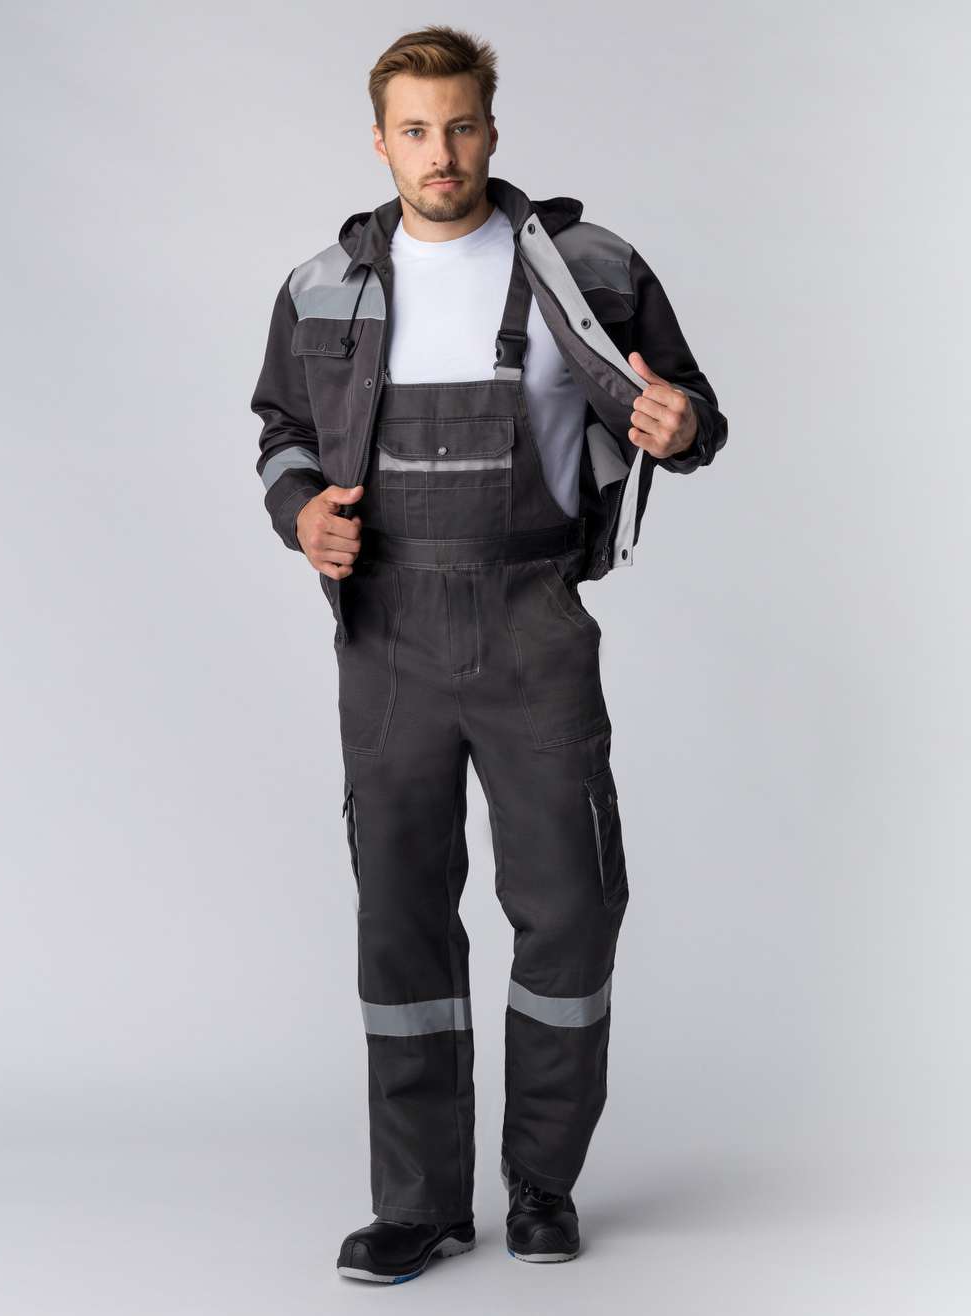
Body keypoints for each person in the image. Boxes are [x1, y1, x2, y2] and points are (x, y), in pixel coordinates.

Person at [250, 23, 728, 1285]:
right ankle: (416, 1204)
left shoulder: (590, 267)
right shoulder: (320, 286)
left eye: (460, 125)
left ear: (492, 130)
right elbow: (281, 430)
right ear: (379, 141)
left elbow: (690, 408)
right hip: (386, 635)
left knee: (569, 905)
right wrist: (299, 511)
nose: (441, 152)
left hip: (533, 624)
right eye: (416, 130)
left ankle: (540, 1183)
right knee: (401, 918)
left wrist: (679, 424)